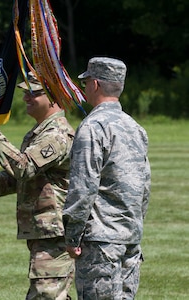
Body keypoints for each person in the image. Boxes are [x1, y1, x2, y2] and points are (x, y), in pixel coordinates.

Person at [0, 72, 75, 300]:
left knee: (45, 296)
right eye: (25, 92)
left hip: (55, 234)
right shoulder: (39, 133)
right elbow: (18, 178)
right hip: (45, 232)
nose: (26, 98)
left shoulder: (56, 135)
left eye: (34, 93)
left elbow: (24, 167)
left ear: (53, 96)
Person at [62, 57, 151, 299]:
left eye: (86, 81)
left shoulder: (93, 127)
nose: (84, 87)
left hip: (101, 243)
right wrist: (134, 226)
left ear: (96, 84)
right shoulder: (135, 128)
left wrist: (72, 236)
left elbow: (83, 187)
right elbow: (144, 186)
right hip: (130, 239)